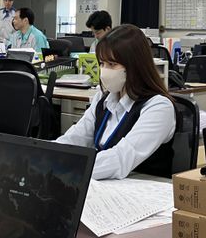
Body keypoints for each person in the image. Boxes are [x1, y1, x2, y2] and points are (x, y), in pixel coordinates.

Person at [56, 24, 176, 180]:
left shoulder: (158, 107)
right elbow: (76, 137)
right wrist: (48, 157)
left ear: (134, 66)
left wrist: (68, 169)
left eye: (112, 64)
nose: (104, 71)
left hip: (141, 188)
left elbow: (121, 159)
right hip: (105, 184)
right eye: (102, 63)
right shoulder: (104, 98)